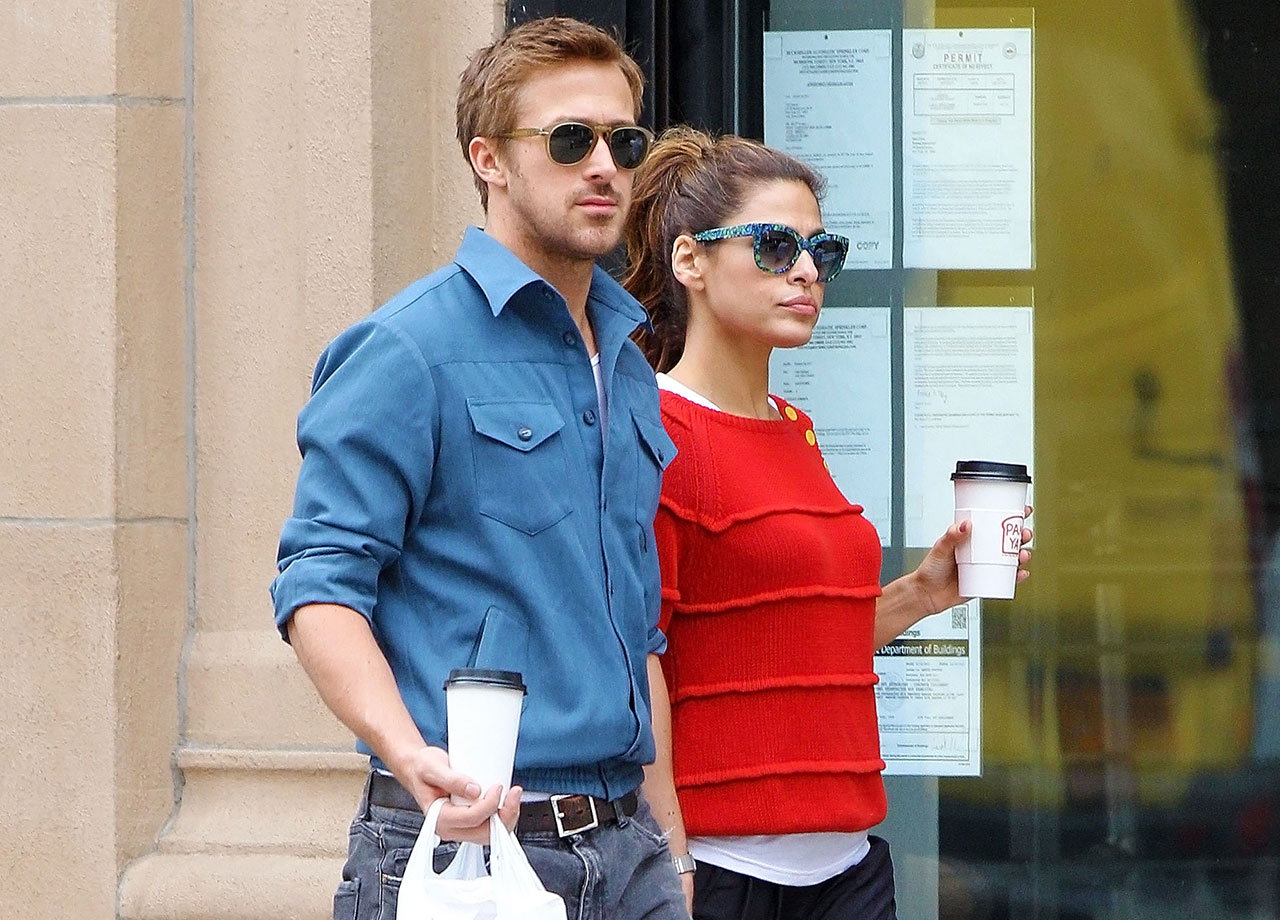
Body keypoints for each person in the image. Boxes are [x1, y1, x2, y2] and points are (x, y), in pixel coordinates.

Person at [271, 17, 689, 920]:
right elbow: (318, 588)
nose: (604, 166)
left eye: (624, 141)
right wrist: (405, 750)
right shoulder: (407, 350)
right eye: (570, 140)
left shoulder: (625, 354)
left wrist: (673, 854)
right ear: (489, 160)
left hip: (628, 846)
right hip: (468, 844)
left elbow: (635, 629)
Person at [622, 127, 1034, 920]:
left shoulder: (794, 427)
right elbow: (638, 656)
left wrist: (921, 593)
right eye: (776, 246)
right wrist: (665, 852)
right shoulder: (658, 432)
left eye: (821, 249)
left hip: (846, 866)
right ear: (690, 262)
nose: (807, 271)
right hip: (722, 869)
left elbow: (787, 639)